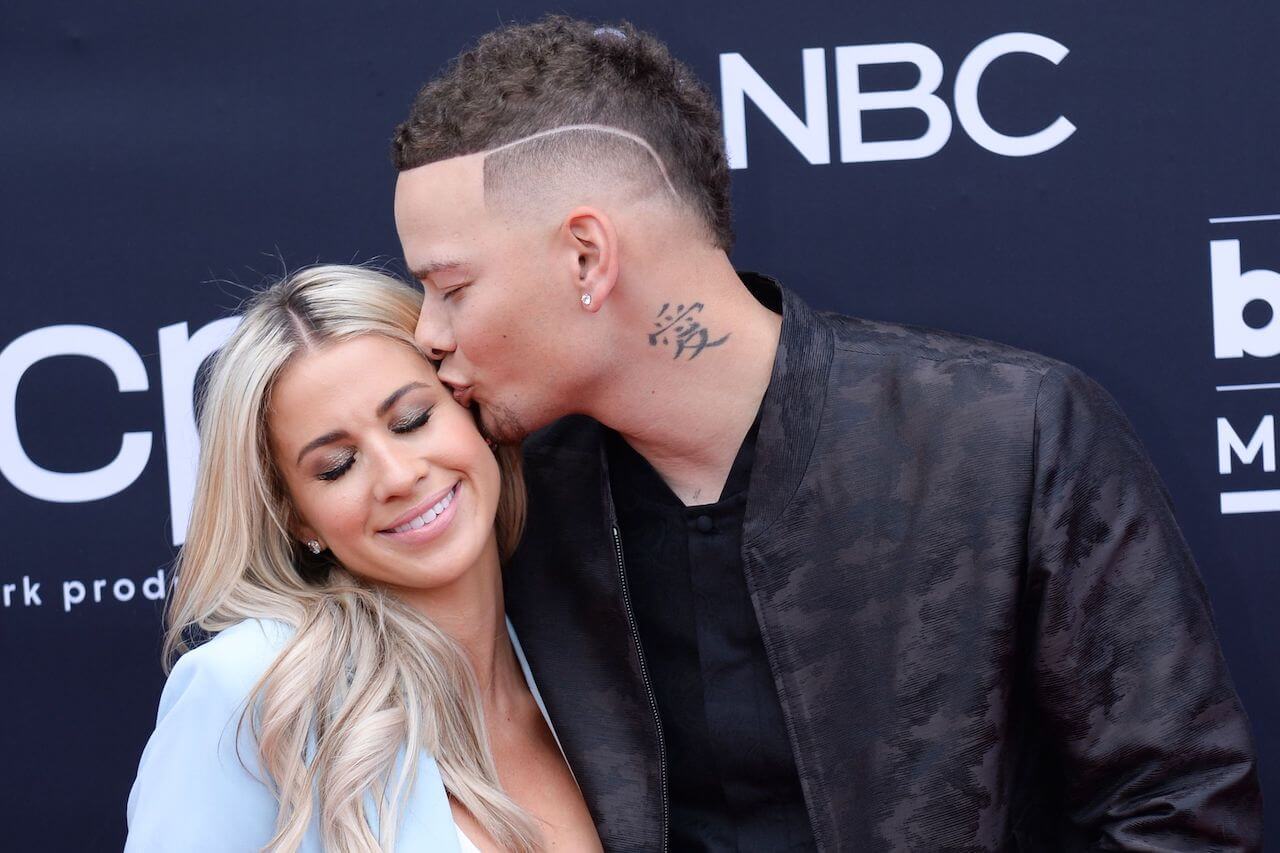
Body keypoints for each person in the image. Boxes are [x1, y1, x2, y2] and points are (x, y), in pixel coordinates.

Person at [389, 16, 1263, 852]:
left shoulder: (1010, 438)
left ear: (587, 255)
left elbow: (1179, 810)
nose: (427, 332)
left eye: (452, 286)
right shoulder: (505, 508)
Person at [125, 266, 601, 852]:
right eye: (336, 466)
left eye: (413, 421)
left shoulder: (600, 657)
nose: (399, 476)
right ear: (298, 516)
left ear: (470, 412)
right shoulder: (254, 691)